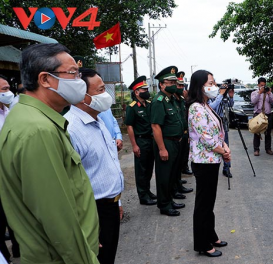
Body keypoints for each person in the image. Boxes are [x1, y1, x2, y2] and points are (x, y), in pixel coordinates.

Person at [0, 43, 100, 263]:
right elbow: (57, 219)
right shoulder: (38, 130)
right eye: (73, 73)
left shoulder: (31, 118)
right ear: (45, 79)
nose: (79, 81)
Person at [64, 68, 124, 264]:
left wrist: (118, 202)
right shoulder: (71, 129)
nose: (105, 95)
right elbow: (69, 184)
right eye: (100, 91)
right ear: (83, 96)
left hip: (110, 206)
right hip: (93, 212)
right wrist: (83, 227)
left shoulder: (97, 120)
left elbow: (108, 164)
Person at [187, 70, 230, 258]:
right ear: (200, 86)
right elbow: (206, 139)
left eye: (214, 83)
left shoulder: (206, 105)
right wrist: (224, 151)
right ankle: (202, 244)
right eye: (210, 83)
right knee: (203, 204)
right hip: (204, 161)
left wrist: (225, 146)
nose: (214, 86)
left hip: (212, 160)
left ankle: (211, 235)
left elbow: (217, 132)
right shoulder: (195, 107)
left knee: (209, 202)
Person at [151, 66, 185, 216]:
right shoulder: (159, 101)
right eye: (169, 82)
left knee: (172, 174)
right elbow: (156, 126)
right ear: (161, 84)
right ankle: (164, 205)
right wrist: (162, 148)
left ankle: (169, 200)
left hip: (176, 141)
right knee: (164, 175)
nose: (173, 84)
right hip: (166, 142)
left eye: (174, 81)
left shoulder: (170, 99)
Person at [125, 76, 157, 205]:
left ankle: (147, 191)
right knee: (141, 170)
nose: (146, 91)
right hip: (141, 141)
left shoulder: (149, 104)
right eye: (143, 89)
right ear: (136, 92)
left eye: (146, 89)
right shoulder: (132, 107)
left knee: (149, 168)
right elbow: (129, 126)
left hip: (151, 140)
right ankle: (143, 196)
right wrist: (134, 145)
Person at [0, 75, 20, 263]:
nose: (8, 93)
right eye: (4, 90)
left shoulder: (9, 111)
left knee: (15, 215)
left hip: (12, 174)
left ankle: (17, 247)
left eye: (8, 88)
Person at [172, 72, 194, 194]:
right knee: (175, 164)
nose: (181, 88)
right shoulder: (171, 100)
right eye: (178, 85)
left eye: (182, 86)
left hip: (183, 134)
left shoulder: (180, 99)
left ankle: (178, 183)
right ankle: (175, 186)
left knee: (181, 159)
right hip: (174, 138)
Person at [209, 76, 235, 176]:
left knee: (226, 145)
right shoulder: (211, 96)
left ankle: (227, 168)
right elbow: (212, 107)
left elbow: (230, 105)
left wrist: (231, 97)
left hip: (223, 122)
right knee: (214, 145)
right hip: (214, 123)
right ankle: (212, 167)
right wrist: (220, 94)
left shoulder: (224, 95)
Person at [251, 77, 273, 156]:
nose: (263, 87)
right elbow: (253, 102)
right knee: (257, 132)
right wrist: (259, 93)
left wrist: (269, 93)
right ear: (258, 85)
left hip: (267, 114)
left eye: (264, 85)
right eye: (261, 85)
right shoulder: (254, 93)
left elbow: (272, 101)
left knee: (268, 133)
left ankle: (268, 149)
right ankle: (256, 149)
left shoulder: (268, 92)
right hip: (258, 114)